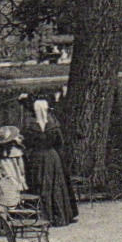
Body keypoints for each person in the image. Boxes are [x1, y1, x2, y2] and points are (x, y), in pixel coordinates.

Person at [21, 93, 77, 226]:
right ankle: (59, 215)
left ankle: (42, 215)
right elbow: (60, 142)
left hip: (37, 158)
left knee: (39, 184)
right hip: (52, 157)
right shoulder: (53, 126)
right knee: (56, 184)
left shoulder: (30, 128)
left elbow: (26, 144)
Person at [0, 126, 28, 211]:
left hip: (0, 179)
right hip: (14, 179)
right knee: (13, 196)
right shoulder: (17, 153)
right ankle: (13, 211)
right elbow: (22, 168)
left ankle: (3, 214)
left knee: (1, 197)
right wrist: (22, 175)